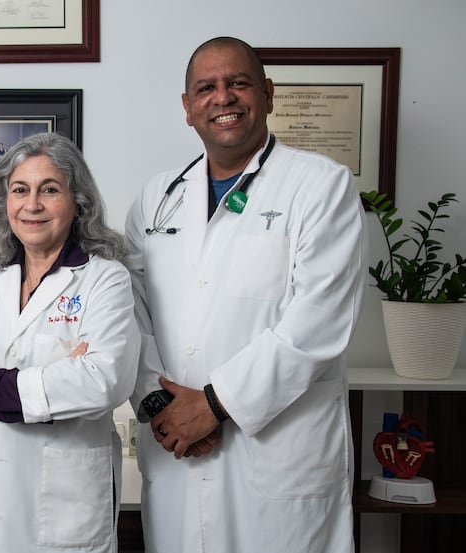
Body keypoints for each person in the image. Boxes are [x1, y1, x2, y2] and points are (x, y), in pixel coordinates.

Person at [124, 37, 367, 552]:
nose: (224, 97)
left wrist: (214, 405)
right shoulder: (156, 198)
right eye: (206, 88)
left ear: (268, 93)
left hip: (277, 454)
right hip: (176, 448)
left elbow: (319, 322)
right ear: (188, 108)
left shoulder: (322, 187)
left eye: (238, 83)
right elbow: (130, 314)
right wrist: (159, 402)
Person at [0, 132, 140, 553]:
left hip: (67, 506)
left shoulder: (106, 279)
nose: (32, 205)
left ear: (77, 200)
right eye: (19, 190)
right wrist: (48, 384)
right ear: (3, 201)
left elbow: (103, 383)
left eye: (50, 190)